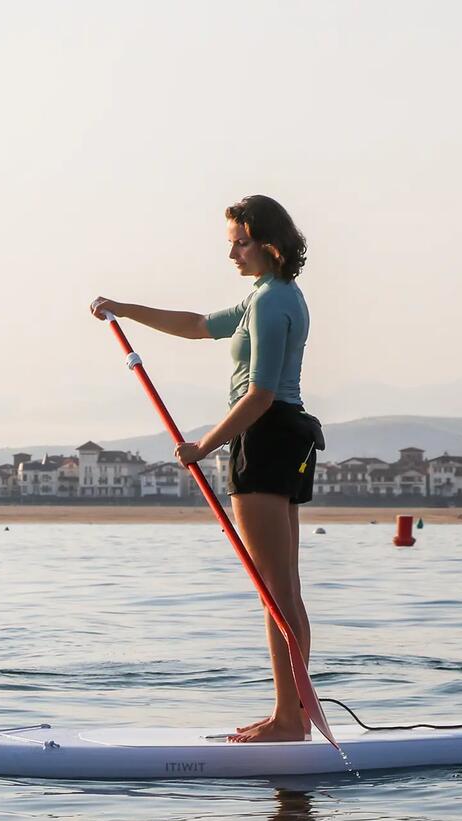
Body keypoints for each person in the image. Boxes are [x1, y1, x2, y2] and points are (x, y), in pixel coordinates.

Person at [89, 195, 321, 743]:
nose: (232, 253)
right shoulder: (275, 295)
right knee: (285, 589)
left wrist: (205, 446)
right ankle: (295, 716)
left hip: (264, 437)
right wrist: (124, 309)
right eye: (230, 243)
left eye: (239, 242)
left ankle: (289, 721)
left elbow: (260, 393)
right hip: (289, 438)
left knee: (274, 591)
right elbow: (196, 325)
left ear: (269, 244)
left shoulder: (269, 302)